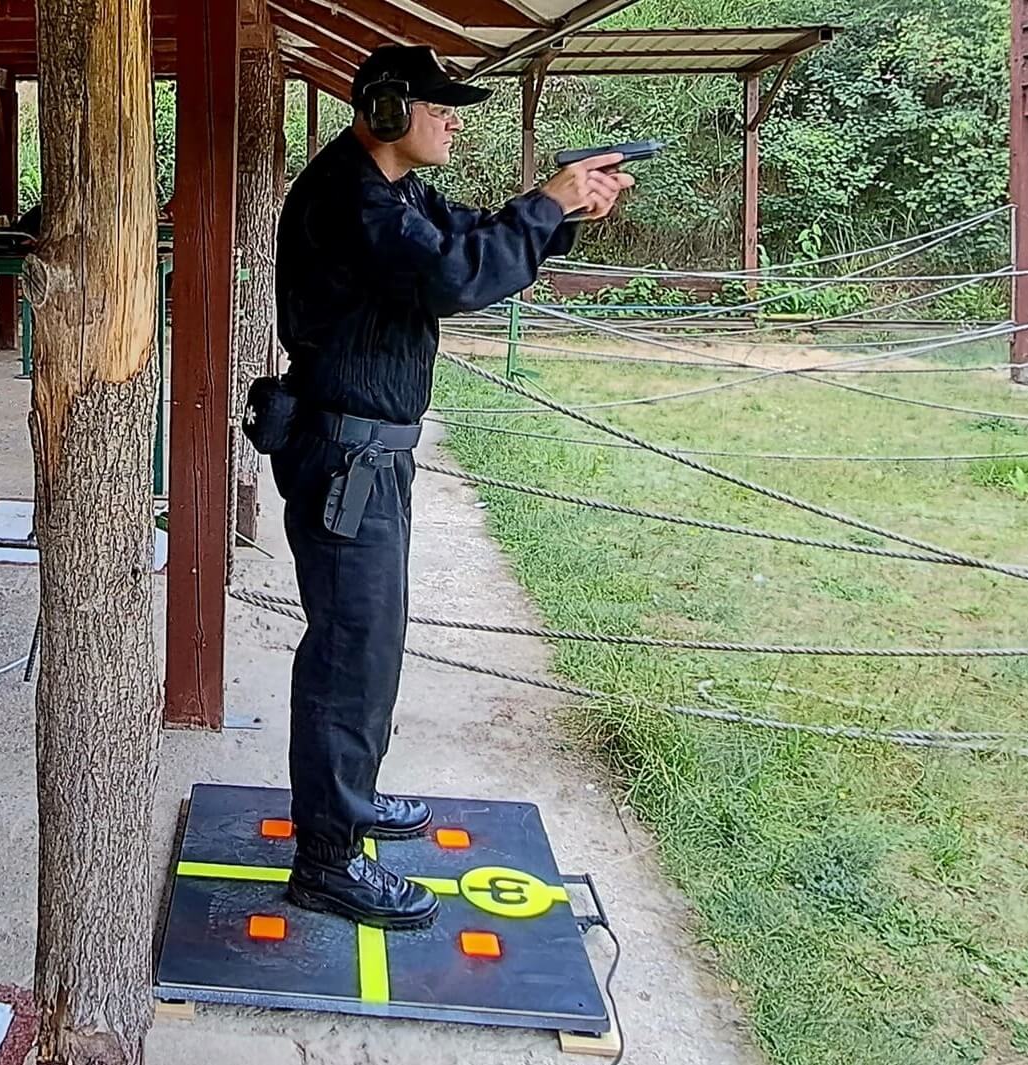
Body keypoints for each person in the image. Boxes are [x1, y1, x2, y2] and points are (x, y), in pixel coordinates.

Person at [268, 44, 633, 929]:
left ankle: (349, 801)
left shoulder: (398, 191)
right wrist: (545, 203)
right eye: (437, 106)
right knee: (349, 657)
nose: (452, 119)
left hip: (370, 455)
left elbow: (470, 241)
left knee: (372, 647)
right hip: (345, 458)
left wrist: (564, 209)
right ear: (387, 109)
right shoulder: (349, 196)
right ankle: (327, 857)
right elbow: (453, 278)